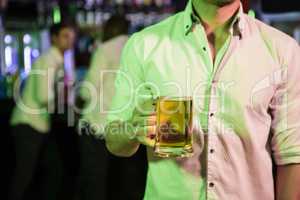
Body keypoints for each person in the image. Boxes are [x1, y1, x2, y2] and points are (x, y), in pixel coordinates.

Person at [104, 0, 300, 199]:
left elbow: (292, 154)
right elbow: (114, 140)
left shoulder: (282, 50)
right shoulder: (144, 45)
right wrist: (133, 128)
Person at [77, 15, 146, 200]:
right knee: (126, 182)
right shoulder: (137, 48)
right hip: (127, 125)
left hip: (98, 125)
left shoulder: (105, 49)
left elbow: (88, 90)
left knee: (95, 181)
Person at [9, 22, 76, 200]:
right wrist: (64, 102)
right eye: (65, 36)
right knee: (25, 175)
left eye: (71, 36)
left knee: (53, 170)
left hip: (39, 125)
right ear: (54, 38)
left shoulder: (58, 61)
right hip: (28, 124)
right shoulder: (48, 60)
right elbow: (44, 97)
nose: (70, 40)